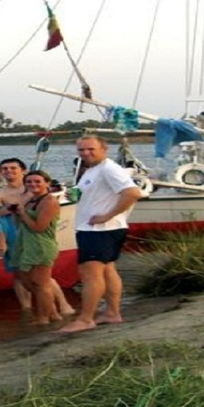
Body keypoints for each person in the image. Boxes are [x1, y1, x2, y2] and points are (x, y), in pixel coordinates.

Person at [59, 135, 142, 334]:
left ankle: (86, 319)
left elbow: (132, 193)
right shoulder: (93, 170)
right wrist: (73, 194)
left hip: (100, 230)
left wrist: (107, 215)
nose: (86, 153)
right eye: (81, 150)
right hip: (98, 229)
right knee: (107, 270)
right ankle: (112, 313)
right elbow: (87, 193)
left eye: (90, 149)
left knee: (90, 275)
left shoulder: (109, 168)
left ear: (103, 149)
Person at [0, 158, 74, 316]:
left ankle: (62, 306)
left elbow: (40, 220)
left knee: (41, 277)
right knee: (20, 274)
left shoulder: (36, 191)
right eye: (4, 169)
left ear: (23, 170)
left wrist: (13, 208)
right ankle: (27, 309)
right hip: (12, 234)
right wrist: (1, 239)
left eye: (13, 168)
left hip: (33, 235)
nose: (9, 171)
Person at [9, 170, 74, 325]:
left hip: (41, 245)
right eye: (29, 182)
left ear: (47, 183)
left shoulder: (49, 201)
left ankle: (43, 318)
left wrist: (23, 214)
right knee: (27, 282)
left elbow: (39, 227)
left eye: (37, 181)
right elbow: (19, 224)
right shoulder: (30, 200)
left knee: (41, 283)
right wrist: (16, 212)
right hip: (25, 244)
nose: (33, 184)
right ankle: (53, 314)